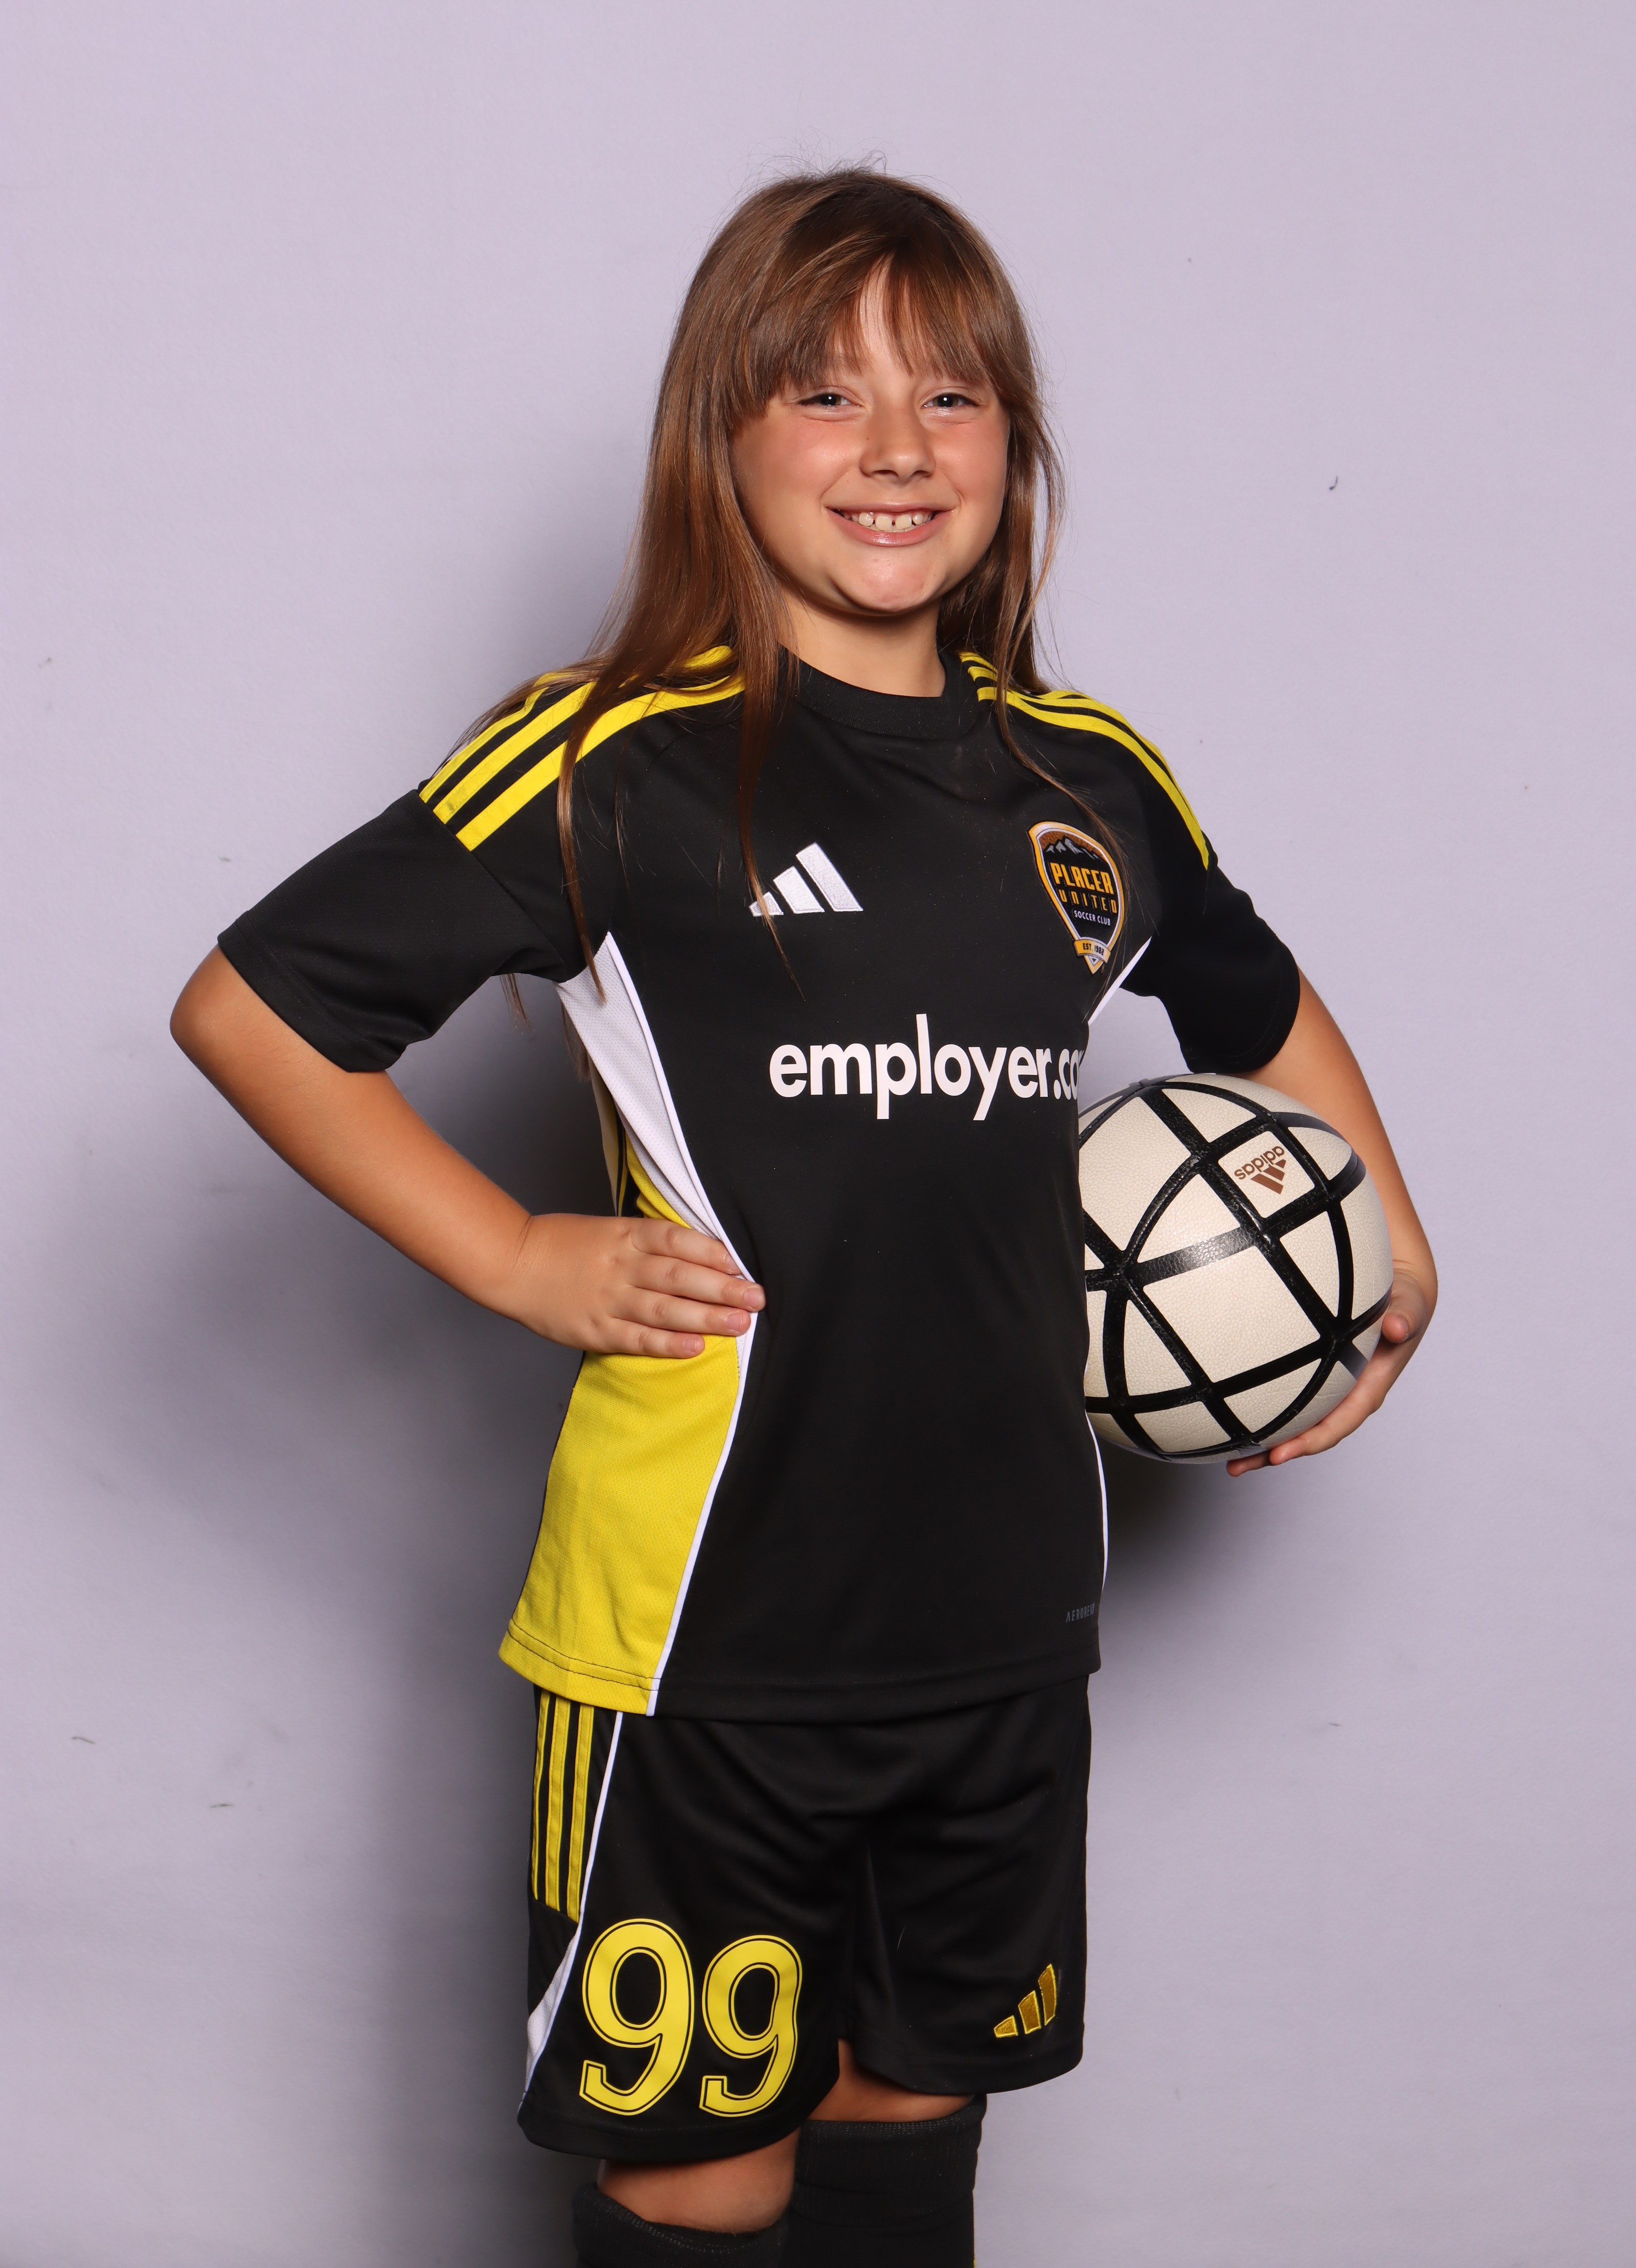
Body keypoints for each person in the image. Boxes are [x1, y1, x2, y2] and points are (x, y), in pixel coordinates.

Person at [172, 170, 1436, 2266]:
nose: (893, 447)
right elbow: (254, 1010)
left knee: (904, 2132)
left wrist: (1380, 1250)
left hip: (1001, 1627)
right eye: (823, 392)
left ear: (1012, 445)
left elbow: (1250, 999)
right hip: (704, 1643)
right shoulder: (613, 761)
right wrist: (518, 1257)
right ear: (720, 434)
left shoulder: (1084, 779)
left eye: (951, 396)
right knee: (701, 2176)